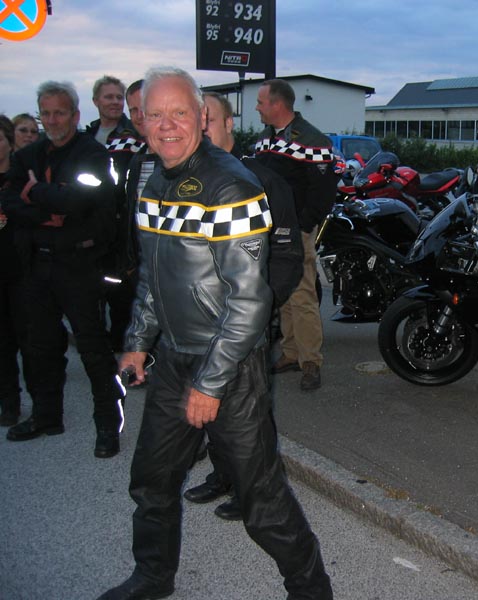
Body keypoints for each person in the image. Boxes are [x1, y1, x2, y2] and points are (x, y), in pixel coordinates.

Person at [97, 66, 332, 600]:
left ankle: (312, 589)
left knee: (261, 501)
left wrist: (209, 383)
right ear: (141, 121)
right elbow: (154, 277)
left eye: (179, 112)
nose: (166, 125)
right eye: (155, 115)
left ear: (201, 117)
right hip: (173, 360)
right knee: (151, 481)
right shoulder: (155, 180)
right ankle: (153, 576)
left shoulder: (231, 186)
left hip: (231, 367)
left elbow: (251, 301)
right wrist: (137, 341)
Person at [182, 91, 304, 523]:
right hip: (198, 319)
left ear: (229, 123)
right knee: (210, 402)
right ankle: (224, 474)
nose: (200, 130)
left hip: (245, 320)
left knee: (250, 413)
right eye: (194, 121)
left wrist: (261, 308)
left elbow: (287, 256)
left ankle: (258, 491)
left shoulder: (262, 180)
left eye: (209, 120)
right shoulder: (185, 181)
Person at [0, 81, 124, 458]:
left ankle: (107, 425)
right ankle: (46, 416)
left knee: (92, 347)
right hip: (36, 263)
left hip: (79, 264)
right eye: (46, 113)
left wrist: (35, 193)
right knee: (40, 346)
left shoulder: (92, 153)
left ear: (75, 114)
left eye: (60, 112)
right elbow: (9, 201)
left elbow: (80, 201)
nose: (52, 120)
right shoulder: (28, 155)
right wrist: (48, 211)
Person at [254, 79, 337, 391]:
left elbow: (324, 191)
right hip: (270, 230)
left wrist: (303, 226)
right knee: (283, 292)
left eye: (261, 102)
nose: (257, 108)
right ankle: (290, 353)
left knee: (302, 294)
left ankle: (310, 361)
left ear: (277, 104)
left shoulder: (313, 140)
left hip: (296, 231)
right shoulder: (265, 139)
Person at [102, 79, 149, 352]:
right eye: (133, 110)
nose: (139, 116)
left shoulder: (182, 156)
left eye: (145, 107)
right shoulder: (137, 158)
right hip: (135, 259)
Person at [0, 115, 33, 426]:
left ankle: (42, 405)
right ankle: (9, 403)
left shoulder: (22, 176)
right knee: (2, 344)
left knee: (31, 340)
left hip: (23, 269)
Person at [86, 75, 135, 145]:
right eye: (109, 97)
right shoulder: (88, 136)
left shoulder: (135, 134)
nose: (115, 102)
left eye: (119, 97)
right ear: (96, 101)